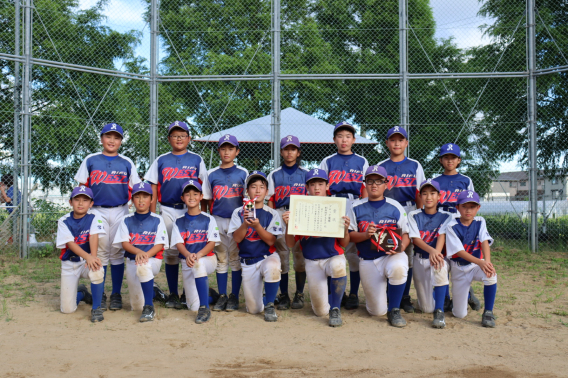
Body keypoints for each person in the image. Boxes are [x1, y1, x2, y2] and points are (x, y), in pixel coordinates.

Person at [146, 121, 212, 310]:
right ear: (169, 139)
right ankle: (174, 293)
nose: (179, 138)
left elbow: (204, 190)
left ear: (189, 139)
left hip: (189, 210)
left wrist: (203, 214)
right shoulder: (161, 159)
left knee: (190, 249)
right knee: (172, 252)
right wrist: (152, 215)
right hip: (167, 208)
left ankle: (187, 292)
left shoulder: (197, 159)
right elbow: (153, 186)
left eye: (182, 135)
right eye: (175, 135)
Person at [74, 123, 141, 311]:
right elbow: (81, 187)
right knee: (100, 252)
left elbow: (137, 188)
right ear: (101, 138)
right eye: (108, 136)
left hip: (120, 210)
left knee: (118, 251)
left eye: (116, 137)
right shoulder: (91, 159)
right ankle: (100, 293)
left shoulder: (126, 162)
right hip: (96, 210)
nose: (112, 140)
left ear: (121, 141)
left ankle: (117, 294)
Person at [283, 168, 349, 327]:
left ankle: (335, 307)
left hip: (333, 256)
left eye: (321, 183)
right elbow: (291, 244)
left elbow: (345, 244)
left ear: (327, 186)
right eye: (312, 184)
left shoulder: (336, 206)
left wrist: (345, 229)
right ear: (307, 187)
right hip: (312, 261)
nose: (317, 188)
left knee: (339, 266)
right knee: (320, 311)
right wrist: (288, 226)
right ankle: (327, 301)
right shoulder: (300, 207)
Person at [348, 165, 410, 327]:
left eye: (378, 181)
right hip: (367, 259)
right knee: (376, 311)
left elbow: (407, 233)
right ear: (365, 184)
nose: (374, 185)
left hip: (391, 256)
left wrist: (401, 247)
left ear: (386, 184)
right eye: (370, 181)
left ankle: (394, 309)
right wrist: (365, 235)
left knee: (398, 266)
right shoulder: (356, 207)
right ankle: (384, 304)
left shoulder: (395, 206)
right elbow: (350, 236)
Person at [319, 122, 369, 310]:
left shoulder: (362, 161)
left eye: (348, 136)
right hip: (334, 204)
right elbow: (322, 187)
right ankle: (334, 291)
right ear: (334, 140)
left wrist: (363, 208)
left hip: (355, 203)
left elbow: (365, 187)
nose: (344, 139)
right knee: (333, 248)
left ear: (354, 140)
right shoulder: (328, 161)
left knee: (354, 252)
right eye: (340, 136)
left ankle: (354, 293)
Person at [378, 126, 425, 313]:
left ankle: (405, 296)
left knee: (408, 254)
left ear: (406, 143)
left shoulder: (414, 165)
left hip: (409, 209)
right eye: (393, 139)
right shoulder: (382, 166)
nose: (396, 143)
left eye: (400, 140)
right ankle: (390, 293)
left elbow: (420, 193)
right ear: (387, 143)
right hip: (387, 212)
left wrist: (420, 215)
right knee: (387, 250)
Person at [228, 171, 283, 322]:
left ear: (266, 192)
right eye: (253, 186)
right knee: (254, 309)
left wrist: (258, 226)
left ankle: (270, 303)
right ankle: (264, 299)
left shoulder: (272, 213)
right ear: (247, 191)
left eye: (261, 187)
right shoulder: (238, 212)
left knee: (273, 266)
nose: (257, 190)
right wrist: (246, 223)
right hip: (248, 261)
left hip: (267, 256)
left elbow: (271, 241)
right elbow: (237, 238)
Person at [432, 143, 481, 313]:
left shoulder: (466, 180)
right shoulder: (436, 181)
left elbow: (472, 203)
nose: (449, 160)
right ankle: (445, 298)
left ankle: (467, 294)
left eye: (453, 157)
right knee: (443, 259)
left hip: (459, 223)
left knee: (460, 260)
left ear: (459, 160)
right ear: (441, 160)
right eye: (446, 157)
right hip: (441, 222)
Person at [113, 182, 168, 322]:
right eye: (137, 197)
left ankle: (149, 307)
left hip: (152, 260)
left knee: (144, 266)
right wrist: (138, 252)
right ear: (132, 200)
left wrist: (145, 255)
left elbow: (160, 244)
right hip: (132, 261)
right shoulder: (126, 220)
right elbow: (125, 243)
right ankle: (153, 291)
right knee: (136, 306)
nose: (141, 200)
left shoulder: (158, 219)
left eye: (145, 196)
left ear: (151, 199)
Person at [205, 135, 249, 312]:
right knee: (221, 258)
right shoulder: (211, 174)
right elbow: (208, 200)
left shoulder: (243, 173)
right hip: (217, 219)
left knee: (235, 259)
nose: (226, 152)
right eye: (223, 148)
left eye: (230, 149)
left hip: (236, 220)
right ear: (218, 151)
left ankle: (234, 296)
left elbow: (247, 199)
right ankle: (222, 295)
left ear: (237, 151)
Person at [267, 135, 308, 310]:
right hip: (280, 212)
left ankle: (299, 293)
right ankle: (283, 294)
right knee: (282, 255)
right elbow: (270, 199)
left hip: (301, 214)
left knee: (299, 256)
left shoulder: (306, 174)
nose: (289, 152)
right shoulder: (274, 174)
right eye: (286, 149)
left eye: (293, 149)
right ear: (281, 152)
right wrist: (273, 217)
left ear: (298, 152)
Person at [170, 180, 221, 324]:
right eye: (187, 194)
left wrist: (198, 255)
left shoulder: (208, 219)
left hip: (207, 259)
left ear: (201, 197)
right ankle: (209, 296)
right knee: (192, 306)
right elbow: (179, 243)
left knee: (198, 264)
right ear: (182, 198)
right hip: (187, 261)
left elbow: (212, 243)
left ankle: (204, 308)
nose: (191, 197)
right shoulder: (179, 221)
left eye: (195, 194)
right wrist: (188, 255)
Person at [445, 190, 498, 328]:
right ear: (457, 208)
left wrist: (487, 261)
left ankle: (488, 312)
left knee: (491, 275)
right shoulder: (451, 226)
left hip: (474, 267)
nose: (468, 210)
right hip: (459, 268)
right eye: (464, 206)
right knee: (459, 314)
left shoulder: (480, 221)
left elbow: (484, 241)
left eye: (472, 207)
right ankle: (468, 295)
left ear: (478, 208)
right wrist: (480, 261)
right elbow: (459, 251)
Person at [407, 179, 453, 328]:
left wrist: (436, 253)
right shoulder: (413, 215)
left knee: (440, 265)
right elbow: (415, 239)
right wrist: (432, 251)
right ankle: (441, 297)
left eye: (433, 193)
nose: (428, 197)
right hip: (420, 259)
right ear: (420, 196)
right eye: (425, 193)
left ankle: (439, 310)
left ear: (439, 196)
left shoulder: (447, 216)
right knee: (426, 308)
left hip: (437, 257)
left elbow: (442, 235)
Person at [57, 186, 105, 322]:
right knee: (67, 310)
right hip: (69, 263)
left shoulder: (94, 216)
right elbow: (71, 244)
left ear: (91, 204)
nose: (80, 203)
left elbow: (94, 236)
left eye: (85, 200)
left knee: (97, 269)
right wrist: (88, 256)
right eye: (77, 199)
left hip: (85, 262)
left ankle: (96, 308)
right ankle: (82, 294)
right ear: (70, 202)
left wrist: (93, 258)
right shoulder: (64, 221)